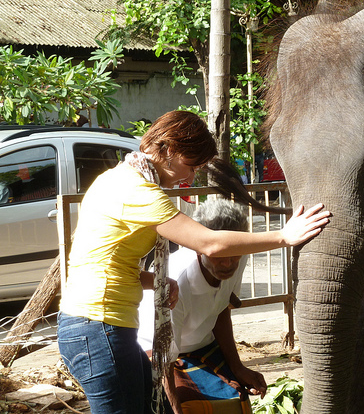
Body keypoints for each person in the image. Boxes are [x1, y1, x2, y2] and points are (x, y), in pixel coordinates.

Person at [57, 110, 330, 414]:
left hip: (102, 325)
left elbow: (106, 262)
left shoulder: (121, 180)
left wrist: (155, 281)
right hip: (98, 326)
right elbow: (210, 243)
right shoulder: (134, 189)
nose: (189, 178)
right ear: (167, 148)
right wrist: (283, 236)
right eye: (191, 166)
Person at [138, 199, 264, 413]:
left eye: (234, 252)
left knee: (238, 400)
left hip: (202, 346)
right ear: (197, 248)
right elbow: (163, 359)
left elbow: (221, 307)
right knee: (189, 406)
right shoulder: (176, 283)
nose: (228, 263)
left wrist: (238, 367)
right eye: (218, 255)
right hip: (155, 354)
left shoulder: (238, 256)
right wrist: (174, 409)